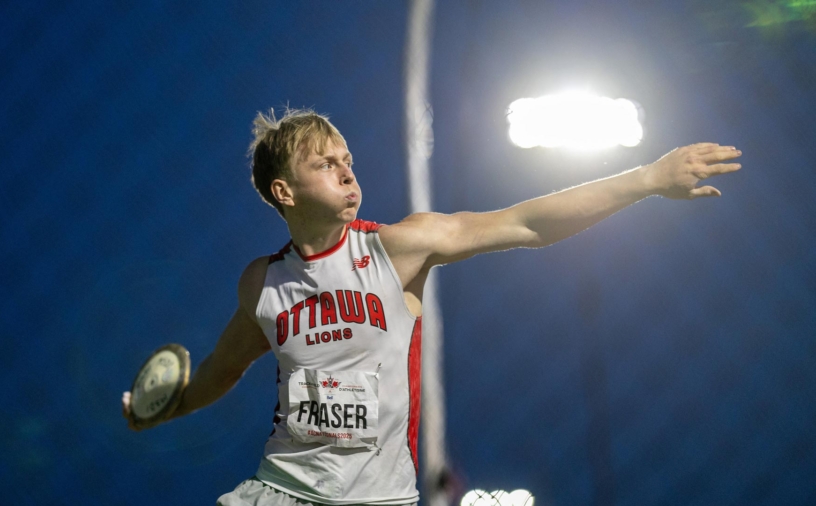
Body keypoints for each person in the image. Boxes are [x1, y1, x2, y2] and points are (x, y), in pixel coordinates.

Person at [122, 108, 741, 505]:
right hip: (282, 489)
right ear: (284, 191)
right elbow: (222, 369)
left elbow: (527, 223)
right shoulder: (264, 282)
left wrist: (647, 179)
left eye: (347, 159)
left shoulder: (398, 247)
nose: (345, 169)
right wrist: (163, 411)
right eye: (324, 163)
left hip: (377, 499)